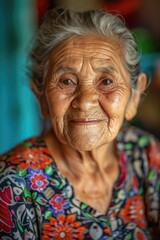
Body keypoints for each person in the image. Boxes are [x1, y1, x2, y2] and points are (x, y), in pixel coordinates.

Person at [0, 8, 159, 240]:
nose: (85, 102)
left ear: (134, 96)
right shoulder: (12, 184)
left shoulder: (145, 153)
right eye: (66, 81)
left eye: (106, 81)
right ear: (42, 98)